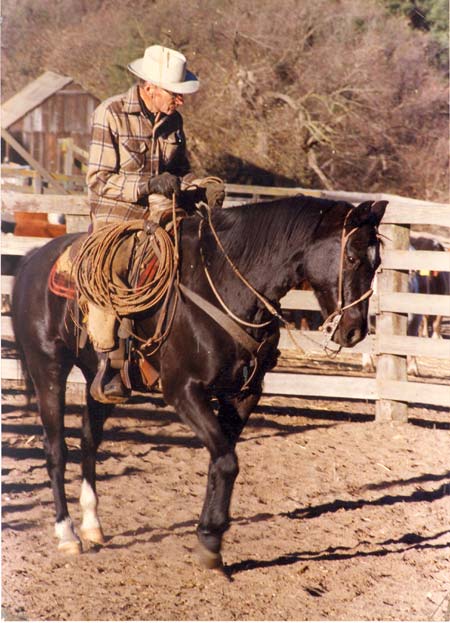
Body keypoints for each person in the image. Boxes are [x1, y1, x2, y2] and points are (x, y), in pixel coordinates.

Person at [85, 44, 224, 403]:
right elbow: (98, 180)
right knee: (110, 272)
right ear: (150, 88)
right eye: (175, 94)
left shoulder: (172, 121)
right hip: (115, 217)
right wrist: (146, 185)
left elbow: (179, 171)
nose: (181, 101)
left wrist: (200, 185)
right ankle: (109, 362)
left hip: (159, 212)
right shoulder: (110, 114)